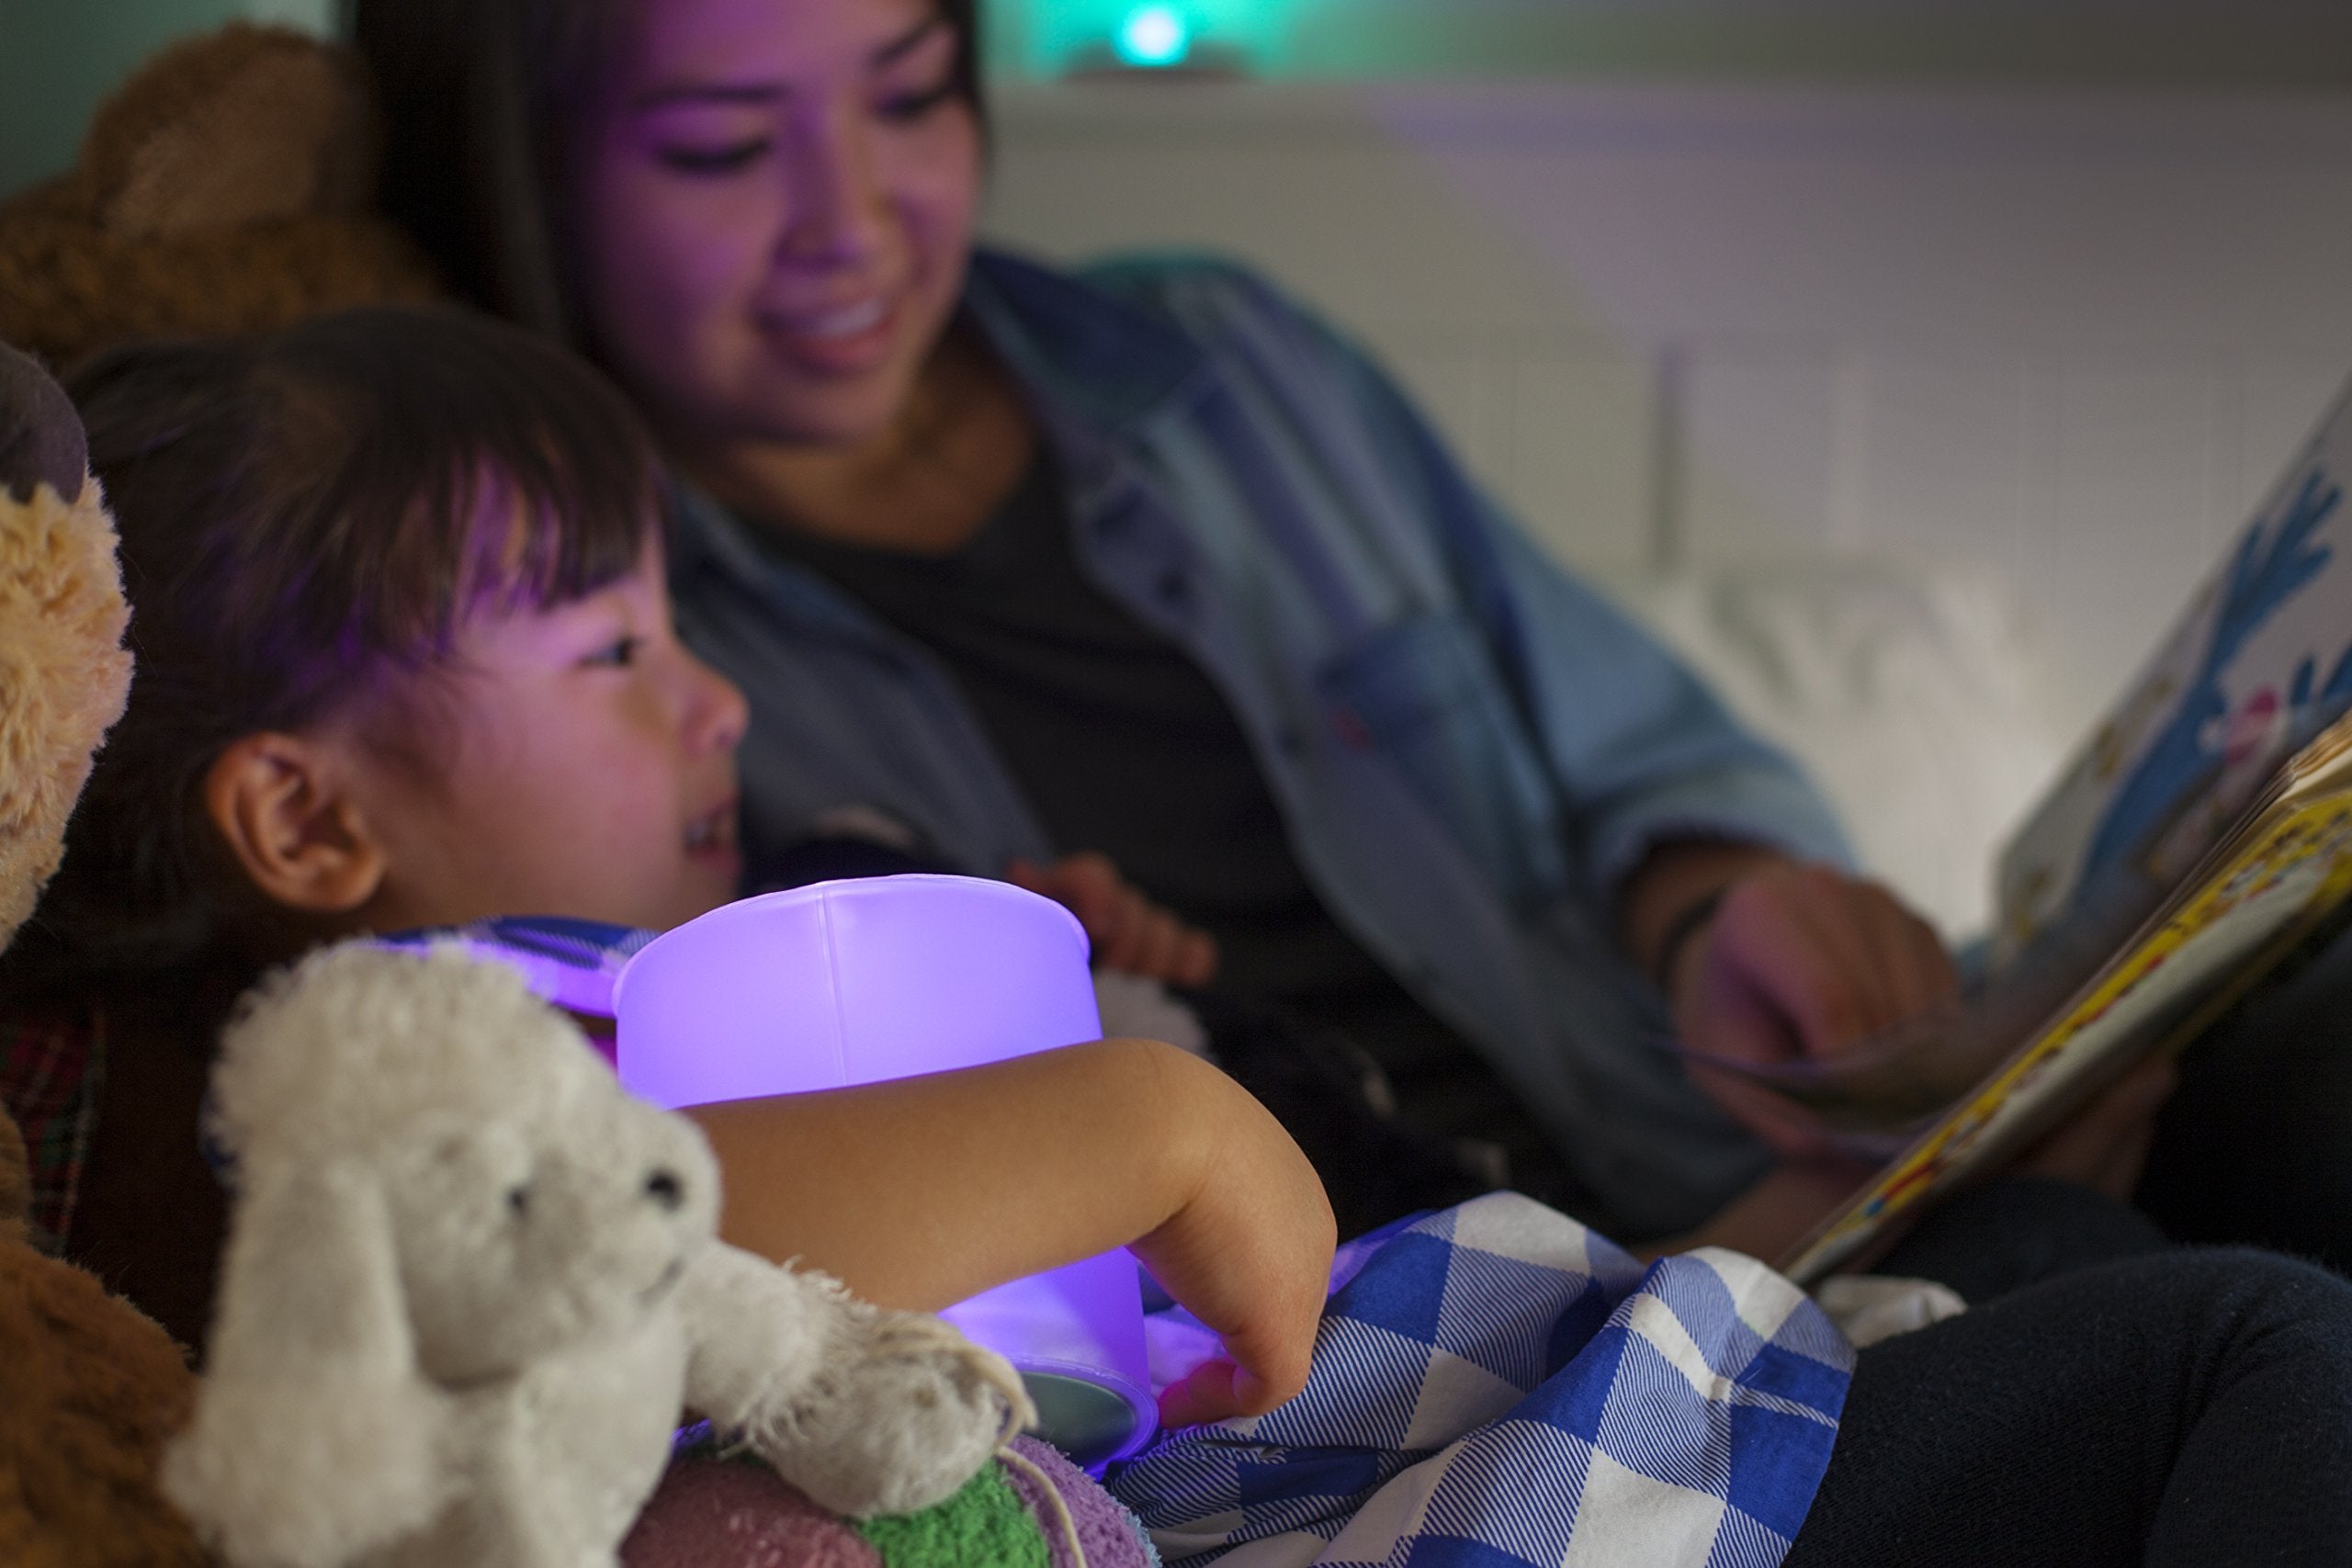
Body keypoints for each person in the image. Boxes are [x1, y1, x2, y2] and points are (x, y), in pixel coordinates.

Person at [11, 304, 2352, 1566]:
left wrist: (1060, 997)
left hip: (1501, 1392)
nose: (711, 697)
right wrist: (1132, 1116)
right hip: (1416, 1504)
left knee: (2062, 1232)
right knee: (2242, 1352)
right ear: (305, 816)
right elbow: (646, 1268)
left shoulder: (713, 941)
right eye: (611, 650)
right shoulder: (406, 1049)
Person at [339, 0, 2352, 1266]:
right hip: (1493, 1323)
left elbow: (1641, 753)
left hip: (1786, 1161)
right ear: (533, 177)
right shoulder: (574, 662)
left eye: (912, 93)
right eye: (718, 146)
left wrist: (1719, 901)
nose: (850, 221)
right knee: (2197, 1326)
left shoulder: (1227, 368)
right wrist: (1726, 1264)